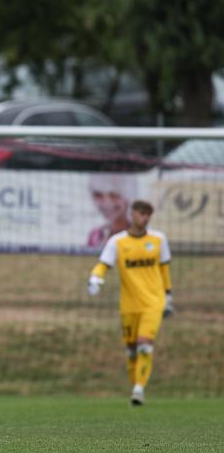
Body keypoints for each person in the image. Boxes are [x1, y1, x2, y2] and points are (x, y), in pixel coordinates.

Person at [88, 200, 173, 406]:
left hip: (153, 302)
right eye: (140, 214)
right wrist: (95, 278)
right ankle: (136, 387)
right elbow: (103, 264)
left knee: (145, 345)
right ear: (132, 214)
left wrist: (168, 297)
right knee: (131, 350)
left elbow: (164, 270)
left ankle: (139, 389)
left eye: (147, 215)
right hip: (129, 305)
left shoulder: (158, 240)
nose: (143, 218)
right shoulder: (118, 242)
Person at [86, 174, 137, 248]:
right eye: (98, 195)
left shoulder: (140, 235)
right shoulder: (96, 235)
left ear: (128, 198)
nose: (107, 204)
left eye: (114, 195)